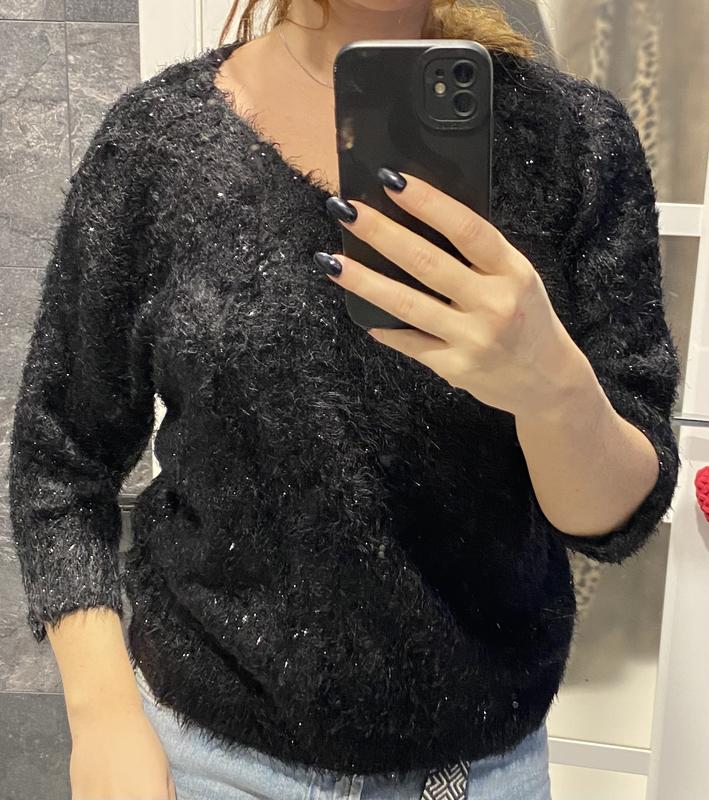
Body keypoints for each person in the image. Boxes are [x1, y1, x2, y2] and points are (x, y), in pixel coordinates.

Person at [8, 1, 681, 799]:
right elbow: (61, 461)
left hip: (475, 774)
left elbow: (612, 518)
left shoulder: (576, 142)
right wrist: (101, 719)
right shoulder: (159, 144)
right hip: (204, 764)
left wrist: (551, 388)